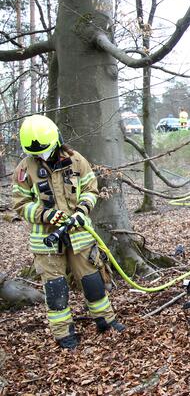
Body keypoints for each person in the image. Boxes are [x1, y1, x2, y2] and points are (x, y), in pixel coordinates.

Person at [11, 115, 124, 349]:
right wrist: (45, 214)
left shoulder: (76, 160)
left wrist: (82, 210)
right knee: (56, 290)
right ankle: (64, 334)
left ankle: (106, 320)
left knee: (93, 281)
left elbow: (91, 189)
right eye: (37, 153)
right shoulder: (24, 169)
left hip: (79, 235)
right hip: (47, 242)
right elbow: (20, 204)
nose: (42, 155)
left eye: (45, 150)